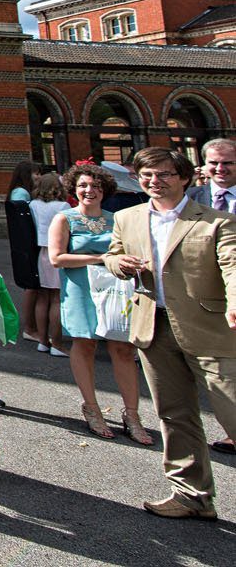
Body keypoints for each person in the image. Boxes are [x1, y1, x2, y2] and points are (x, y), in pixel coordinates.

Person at [104, 147, 236, 519]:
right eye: (146, 175)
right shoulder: (127, 218)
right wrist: (119, 264)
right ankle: (192, 495)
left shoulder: (216, 221)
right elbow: (112, 254)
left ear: (183, 178)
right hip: (153, 328)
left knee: (232, 411)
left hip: (210, 329)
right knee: (174, 415)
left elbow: (233, 264)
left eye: (163, 174)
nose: (154, 181)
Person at [46, 163, 152, 444]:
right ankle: (92, 408)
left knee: (122, 347)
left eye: (95, 186)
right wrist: (102, 258)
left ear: (105, 190)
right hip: (80, 289)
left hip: (114, 291)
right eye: (83, 185)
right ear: (74, 189)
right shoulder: (64, 219)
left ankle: (132, 414)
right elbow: (57, 259)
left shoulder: (116, 219)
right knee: (85, 343)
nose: (89, 190)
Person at [184, 137, 236, 454]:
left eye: (228, 163)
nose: (220, 169)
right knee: (220, 369)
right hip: (203, 295)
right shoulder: (191, 198)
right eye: (214, 163)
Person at [28, 173, 71, 356]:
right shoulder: (63, 206)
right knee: (56, 298)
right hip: (58, 250)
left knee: (42, 297)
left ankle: (43, 341)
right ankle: (57, 343)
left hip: (40, 252)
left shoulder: (33, 204)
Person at [4, 160, 41, 343]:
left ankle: (32, 326)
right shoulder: (21, 193)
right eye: (35, 174)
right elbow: (22, 219)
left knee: (33, 287)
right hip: (27, 243)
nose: (38, 177)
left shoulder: (21, 192)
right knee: (32, 287)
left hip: (25, 243)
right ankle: (30, 327)